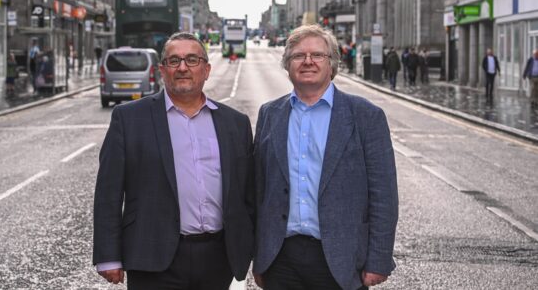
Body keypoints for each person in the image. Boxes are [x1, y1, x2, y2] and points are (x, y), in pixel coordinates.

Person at [93, 32, 255, 289]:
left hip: (218, 258)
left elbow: (248, 194)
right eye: (174, 61)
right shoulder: (129, 118)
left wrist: (250, 249)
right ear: (162, 70)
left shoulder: (235, 123)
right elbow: (108, 193)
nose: (182, 67)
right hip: (152, 255)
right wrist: (108, 255)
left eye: (192, 60)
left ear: (206, 69)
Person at [253, 25, 398, 290]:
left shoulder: (366, 116)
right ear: (287, 65)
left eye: (317, 55)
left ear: (332, 64)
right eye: (298, 56)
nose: (308, 61)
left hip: (342, 260)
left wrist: (378, 259)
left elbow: (384, 195)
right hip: (281, 259)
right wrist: (259, 259)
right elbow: (259, 189)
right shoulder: (270, 114)